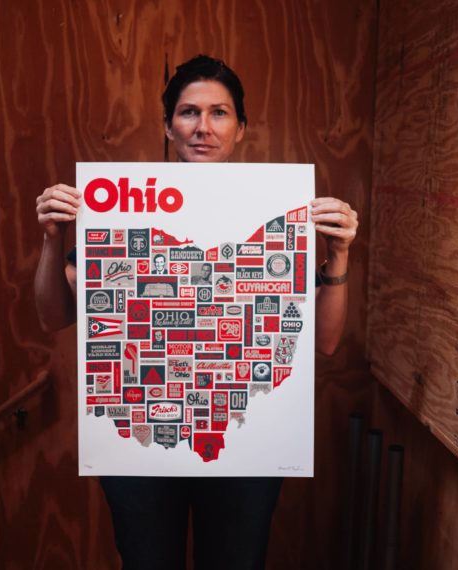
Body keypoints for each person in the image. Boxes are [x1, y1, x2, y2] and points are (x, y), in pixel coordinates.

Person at [35, 55, 358, 570]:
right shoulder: (125, 207)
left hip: (245, 440)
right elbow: (54, 318)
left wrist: (338, 258)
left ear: (241, 127)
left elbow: (325, 342)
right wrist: (55, 240)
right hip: (140, 443)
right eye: (188, 112)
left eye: (219, 113)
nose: (203, 128)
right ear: (167, 126)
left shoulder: (277, 210)